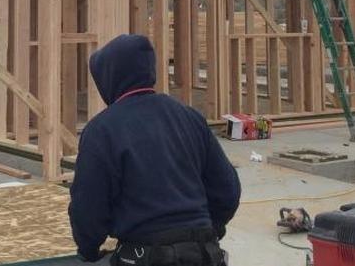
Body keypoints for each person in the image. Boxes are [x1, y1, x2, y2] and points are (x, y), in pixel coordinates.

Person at [69, 34, 241, 265]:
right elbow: (227, 190)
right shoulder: (189, 117)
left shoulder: (102, 130)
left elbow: (88, 206)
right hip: (203, 253)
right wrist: (210, 229)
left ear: (109, 78)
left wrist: (88, 248)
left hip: (146, 255)